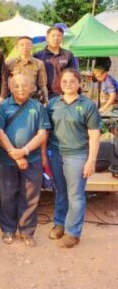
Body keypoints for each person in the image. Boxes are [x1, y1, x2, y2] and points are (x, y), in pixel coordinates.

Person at [46, 68, 101, 248]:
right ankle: (59, 224)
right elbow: (46, 131)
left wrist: (91, 161)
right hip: (55, 153)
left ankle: (73, 233)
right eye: (64, 81)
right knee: (60, 192)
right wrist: (45, 154)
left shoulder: (88, 105)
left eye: (72, 81)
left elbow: (94, 134)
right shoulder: (52, 104)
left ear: (79, 83)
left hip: (77, 155)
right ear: (59, 84)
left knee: (75, 195)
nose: (68, 84)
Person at [0, 74, 50, 246]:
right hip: (7, 160)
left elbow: (42, 133)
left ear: (31, 87)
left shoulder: (38, 107)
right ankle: (8, 229)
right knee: (7, 195)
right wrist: (15, 154)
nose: (20, 89)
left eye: (24, 85)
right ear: (10, 88)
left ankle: (27, 231)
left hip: (32, 159)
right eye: (17, 86)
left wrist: (24, 151)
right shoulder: (3, 106)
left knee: (30, 196)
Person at [34, 27, 77, 99]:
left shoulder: (68, 55)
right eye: (53, 35)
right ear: (47, 37)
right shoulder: (38, 55)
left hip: (63, 94)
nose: (56, 38)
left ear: (62, 38)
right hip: (43, 95)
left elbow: (74, 74)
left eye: (59, 36)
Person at [6, 36, 48, 103]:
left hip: (33, 98)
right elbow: (5, 82)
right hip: (14, 98)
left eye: (28, 44)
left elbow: (42, 84)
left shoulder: (39, 63)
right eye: (22, 45)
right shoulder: (9, 63)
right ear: (17, 47)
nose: (25, 47)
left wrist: (45, 99)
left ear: (32, 46)